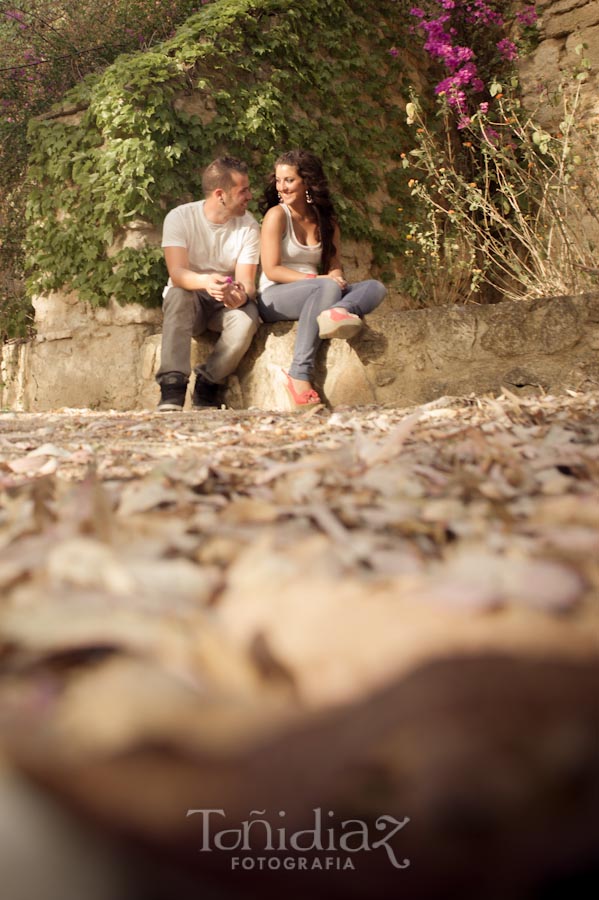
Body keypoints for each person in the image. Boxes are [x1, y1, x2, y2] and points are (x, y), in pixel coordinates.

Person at [258, 149, 386, 410]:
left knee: (375, 287)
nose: (282, 187)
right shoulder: (277, 216)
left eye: (289, 180)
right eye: (279, 181)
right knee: (327, 286)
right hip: (275, 295)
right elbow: (272, 270)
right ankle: (299, 375)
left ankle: (339, 310)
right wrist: (321, 279)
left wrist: (335, 276)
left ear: (306, 181)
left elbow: (334, 264)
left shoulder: (326, 220)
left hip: (318, 289)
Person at [156, 157, 260, 411]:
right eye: (243, 190)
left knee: (247, 318)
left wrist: (241, 296)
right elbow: (177, 272)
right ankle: (172, 387)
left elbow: (247, 282)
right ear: (220, 194)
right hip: (190, 301)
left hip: (223, 306)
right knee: (178, 293)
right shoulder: (179, 217)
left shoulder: (249, 226)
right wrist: (204, 281)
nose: (250, 195)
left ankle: (209, 383)